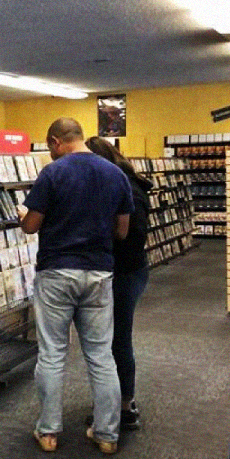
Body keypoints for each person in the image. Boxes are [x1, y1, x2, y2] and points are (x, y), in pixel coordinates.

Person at [18, 118, 132, 454]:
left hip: (56, 272)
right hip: (98, 272)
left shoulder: (53, 173)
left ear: (55, 141)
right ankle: (107, 434)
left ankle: (49, 432)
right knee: (101, 357)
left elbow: (31, 226)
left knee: (52, 355)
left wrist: (22, 218)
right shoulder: (116, 174)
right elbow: (122, 230)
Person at [85, 136, 152, 429]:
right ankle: (114, 400)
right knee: (109, 339)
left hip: (124, 272)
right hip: (118, 271)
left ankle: (125, 406)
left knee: (119, 339)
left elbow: (132, 236)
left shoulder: (128, 188)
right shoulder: (117, 182)